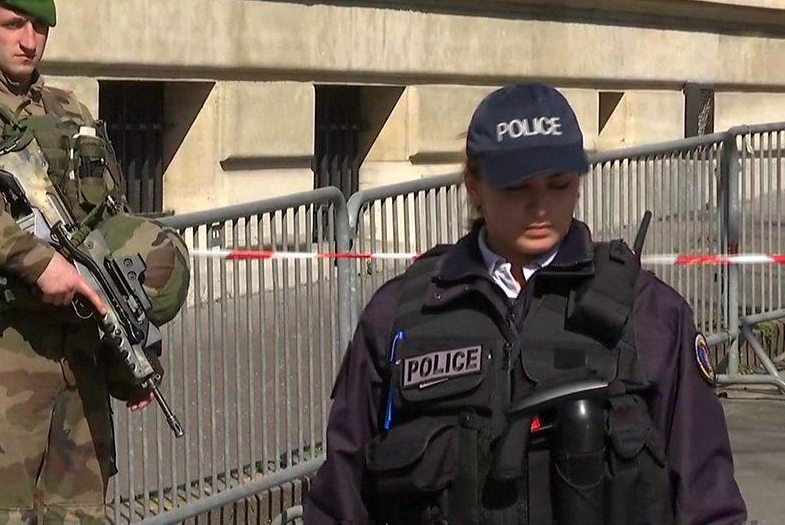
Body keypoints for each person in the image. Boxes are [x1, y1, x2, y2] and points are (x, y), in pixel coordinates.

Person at [303, 83, 746, 524]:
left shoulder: (650, 314)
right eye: (517, 187)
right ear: (473, 185)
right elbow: (341, 498)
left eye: (558, 185)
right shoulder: (401, 317)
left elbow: (708, 499)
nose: (540, 206)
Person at [0, 0, 189, 523]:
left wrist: (124, 354)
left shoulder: (68, 111)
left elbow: (105, 228)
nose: (29, 40)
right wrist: (37, 263)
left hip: (77, 363)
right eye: (14, 24)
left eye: (39, 27)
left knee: (81, 514)